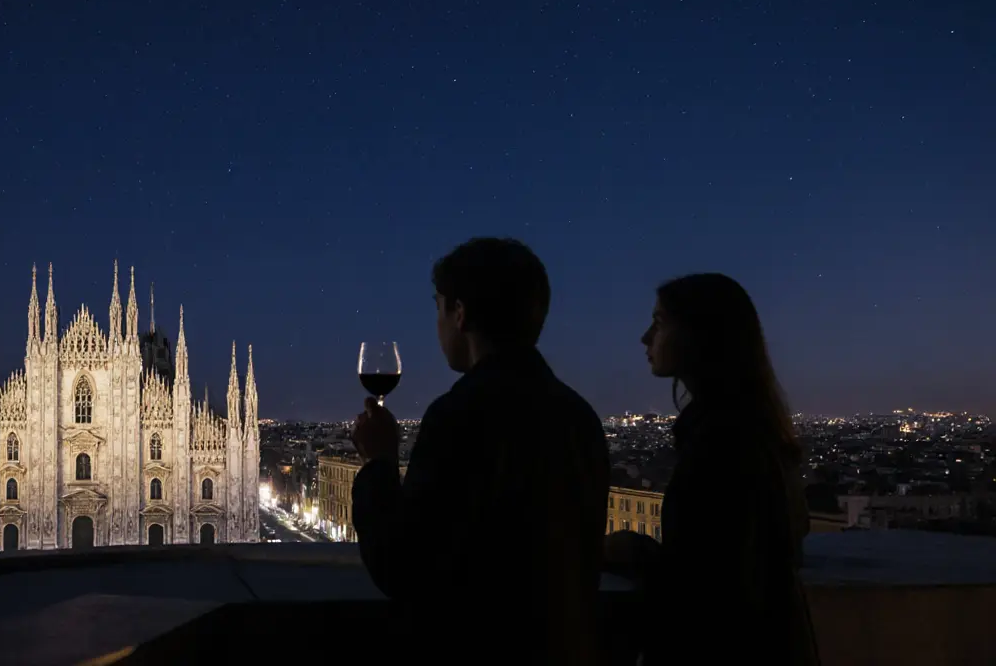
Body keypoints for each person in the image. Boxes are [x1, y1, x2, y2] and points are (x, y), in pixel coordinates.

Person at [351, 237, 609, 662]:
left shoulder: (459, 416)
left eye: (438, 307)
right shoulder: (579, 416)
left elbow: (402, 566)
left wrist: (378, 463)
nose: (437, 325)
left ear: (459, 313)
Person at [608, 273, 820, 665]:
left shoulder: (721, 440)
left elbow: (707, 583)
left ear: (697, 334)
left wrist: (631, 551)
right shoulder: (750, 427)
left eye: (658, 322)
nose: (644, 338)